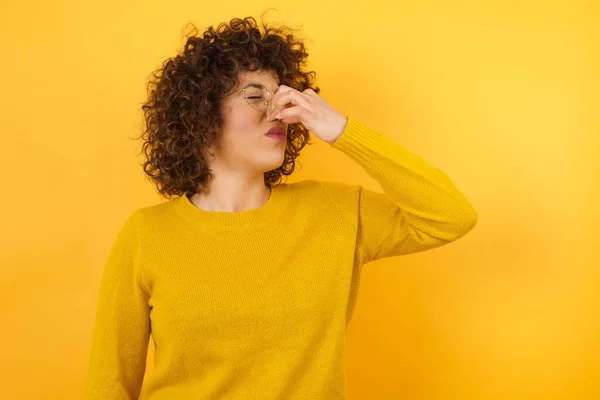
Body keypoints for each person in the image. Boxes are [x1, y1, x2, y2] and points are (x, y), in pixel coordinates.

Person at [85, 15, 478, 400]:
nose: (277, 112)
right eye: (256, 96)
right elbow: (109, 386)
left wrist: (342, 131)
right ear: (202, 116)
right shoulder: (146, 234)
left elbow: (449, 215)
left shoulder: (334, 211)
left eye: (283, 98)